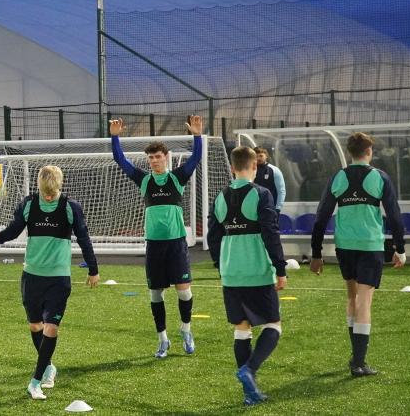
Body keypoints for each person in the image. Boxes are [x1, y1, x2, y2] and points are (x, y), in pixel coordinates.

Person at [0, 165, 100, 401]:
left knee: (51, 327)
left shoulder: (71, 207)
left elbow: (84, 239)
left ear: (59, 186)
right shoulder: (28, 204)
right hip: (32, 276)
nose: (48, 197)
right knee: (36, 327)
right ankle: (48, 366)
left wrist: (93, 268)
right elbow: (15, 229)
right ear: (39, 187)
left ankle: (35, 381)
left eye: (52, 193)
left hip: (59, 278)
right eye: (44, 193)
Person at [309, 132, 406, 377]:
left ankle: (356, 356)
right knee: (365, 300)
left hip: (345, 246)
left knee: (352, 297)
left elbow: (321, 217)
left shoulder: (338, 177)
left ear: (350, 153)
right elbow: (394, 215)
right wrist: (400, 249)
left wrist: (317, 253)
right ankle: (359, 363)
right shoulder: (379, 177)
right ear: (369, 152)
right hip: (370, 245)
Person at [109, 115, 203, 358]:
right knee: (156, 293)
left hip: (176, 244)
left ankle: (186, 330)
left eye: (158, 157)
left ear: (166, 158)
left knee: (183, 290)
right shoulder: (144, 180)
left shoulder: (177, 177)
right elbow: (120, 160)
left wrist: (196, 135)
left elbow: (195, 158)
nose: (154, 161)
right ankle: (163, 339)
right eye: (150, 158)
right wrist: (115, 137)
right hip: (154, 245)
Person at [208, 146, 287, 406]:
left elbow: (213, 236)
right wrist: (280, 268)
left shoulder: (220, 196)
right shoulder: (261, 194)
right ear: (254, 167)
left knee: (241, 329)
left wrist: (221, 266)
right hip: (256, 271)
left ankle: (249, 393)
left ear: (232, 168)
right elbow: (270, 233)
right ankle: (249, 370)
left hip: (231, 273)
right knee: (273, 325)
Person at [253, 147, 286, 214]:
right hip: (254, 209)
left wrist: (278, 208)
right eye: (256, 156)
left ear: (266, 156)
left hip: (270, 209)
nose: (258, 158)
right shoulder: (250, 170)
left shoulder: (274, 170)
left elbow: (281, 191)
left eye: (261, 156)